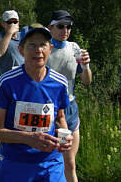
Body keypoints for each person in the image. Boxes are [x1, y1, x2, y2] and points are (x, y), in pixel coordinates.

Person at [0, 23, 73, 182]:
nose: (38, 50)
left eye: (43, 45)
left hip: (50, 163)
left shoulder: (60, 83)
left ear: (50, 49)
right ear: (21, 50)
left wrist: (64, 137)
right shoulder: (6, 82)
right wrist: (28, 138)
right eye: (32, 45)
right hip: (15, 163)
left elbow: (60, 119)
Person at [47, 10, 92, 182]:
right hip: (50, 112)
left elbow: (87, 81)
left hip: (70, 110)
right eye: (60, 26)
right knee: (48, 162)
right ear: (50, 27)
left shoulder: (74, 48)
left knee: (70, 164)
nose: (65, 30)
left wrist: (86, 66)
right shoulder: (44, 49)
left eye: (68, 27)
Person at [0, 10, 25, 167]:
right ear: (3, 24)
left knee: (20, 122)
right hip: (4, 86)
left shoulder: (25, 38)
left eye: (15, 22)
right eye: (9, 22)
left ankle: (18, 153)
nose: (12, 25)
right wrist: (9, 34)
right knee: (0, 123)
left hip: (23, 85)